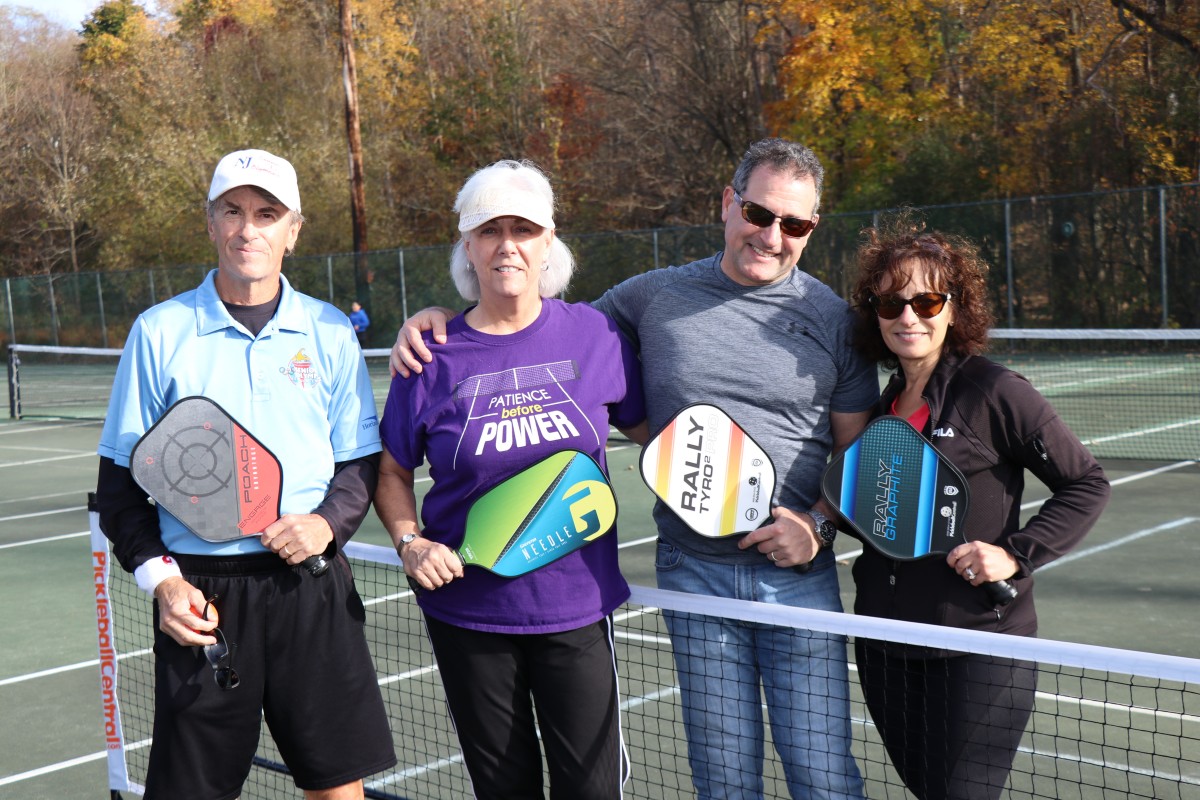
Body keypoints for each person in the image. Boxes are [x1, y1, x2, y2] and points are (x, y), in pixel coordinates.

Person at [390, 139, 876, 800]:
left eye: (795, 224)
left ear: (811, 229)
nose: (773, 235)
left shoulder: (833, 321)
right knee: (724, 782)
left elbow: (861, 452)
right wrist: (437, 318)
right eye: (760, 214)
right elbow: (529, 317)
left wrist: (818, 526)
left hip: (798, 580)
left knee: (823, 780)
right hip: (692, 577)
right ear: (729, 204)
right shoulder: (648, 299)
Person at [94, 148, 396, 800]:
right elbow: (119, 491)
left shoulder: (330, 332)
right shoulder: (158, 334)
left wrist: (324, 525)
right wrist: (164, 585)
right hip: (200, 601)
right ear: (210, 223)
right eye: (232, 211)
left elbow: (358, 462)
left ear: (293, 230)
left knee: (339, 791)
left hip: (311, 591)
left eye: (266, 213)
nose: (248, 228)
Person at [373, 159, 647, 799]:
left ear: (548, 242)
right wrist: (411, 543)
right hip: (468, 614)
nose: (507, 245)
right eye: (489, 229)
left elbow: (650, 433)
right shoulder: (429, 356)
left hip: (575, 607)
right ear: (467, 246)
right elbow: (392, 470)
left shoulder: (595, 334)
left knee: (593, 792)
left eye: (523, 229)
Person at [847, 215, 1111, 800]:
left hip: (979, 646)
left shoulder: (994, 391)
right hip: (886, 646)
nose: (908, 316)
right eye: (890, 303)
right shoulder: (880, 406)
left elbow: (1086, 482)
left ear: (955, 307)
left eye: (927, 299)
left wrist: (1013, 556)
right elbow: (870, 511)